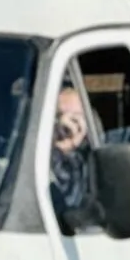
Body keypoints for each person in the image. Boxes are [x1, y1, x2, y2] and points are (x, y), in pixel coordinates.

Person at [49, 84, 95, 229]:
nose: (66, 124)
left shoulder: (96, 159)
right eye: (58, 116)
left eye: (75, 118)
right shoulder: (36, 157)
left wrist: (76, 146)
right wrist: (56, 150)